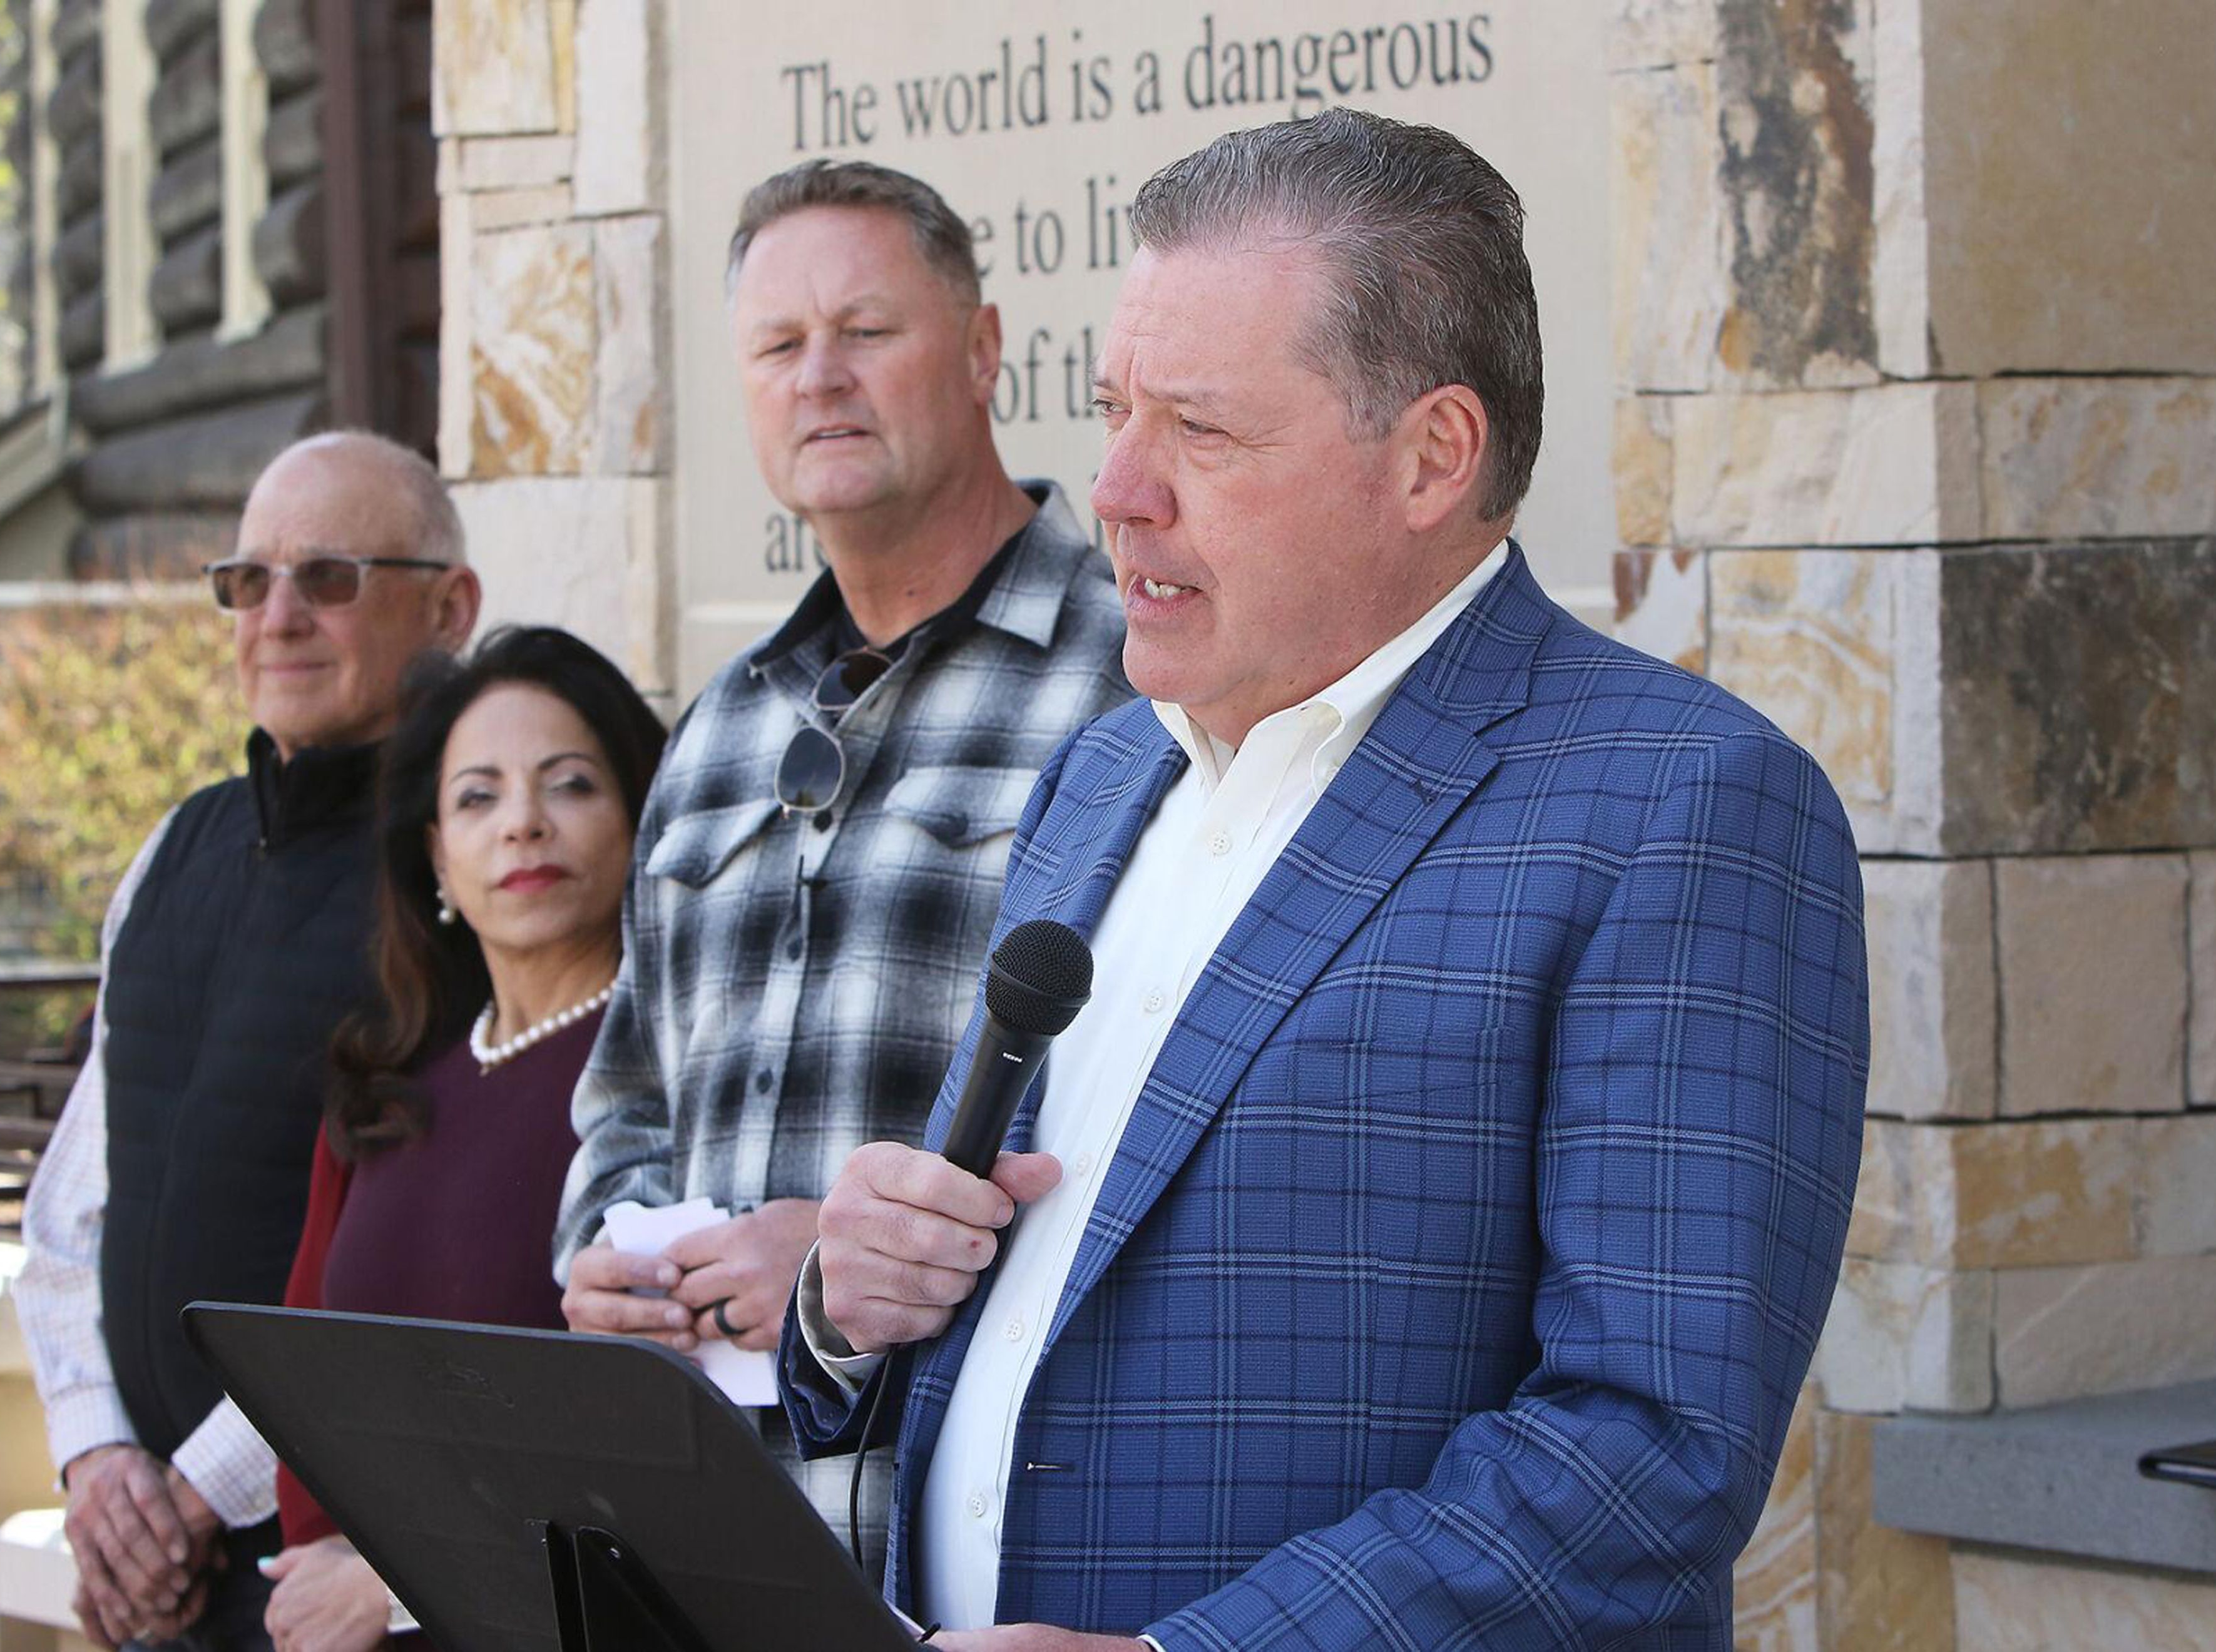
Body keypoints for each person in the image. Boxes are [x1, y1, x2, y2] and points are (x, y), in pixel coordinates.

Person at [784, 110, 1870, 1649]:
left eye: (1201, 431)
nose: (1117, 490)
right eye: (1112, 413)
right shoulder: (1103, 775)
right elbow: (1009, 1321)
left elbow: (1645, 1457)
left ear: (1433, 455)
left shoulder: (1680, 804)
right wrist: (846, 1304)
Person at [551, 158, 1133, 1557]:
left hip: (985, 1532)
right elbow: (628, 1092)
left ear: (985, 352)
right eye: (777, 346)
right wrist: (607, 1260)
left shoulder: (1143, 676)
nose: (821, 377)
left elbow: (1170, 1100)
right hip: (700, 1532)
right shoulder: (716, 732)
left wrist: (846, 1239)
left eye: (867, 332)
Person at [15, 432, 482, 1651]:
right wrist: (99, 1461)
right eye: (246, 581)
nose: (278, 617)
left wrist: (188, 1492)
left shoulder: (463, 883)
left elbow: (421, 1272)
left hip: (343, 1573)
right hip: (152, 1579)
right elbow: (73, 1213)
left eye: (329, 578)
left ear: (449, 608)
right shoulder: (177, 848)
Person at [255, 626, 667, 1652]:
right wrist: (334, 1576)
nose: (523, 824)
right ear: (436, 852)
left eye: (569, 785)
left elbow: (660, 1456)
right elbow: (305, 1399)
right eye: (478, 797)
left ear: (639, 814)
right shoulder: (379, 1100)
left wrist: (393, 1588)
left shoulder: (666, 1092)